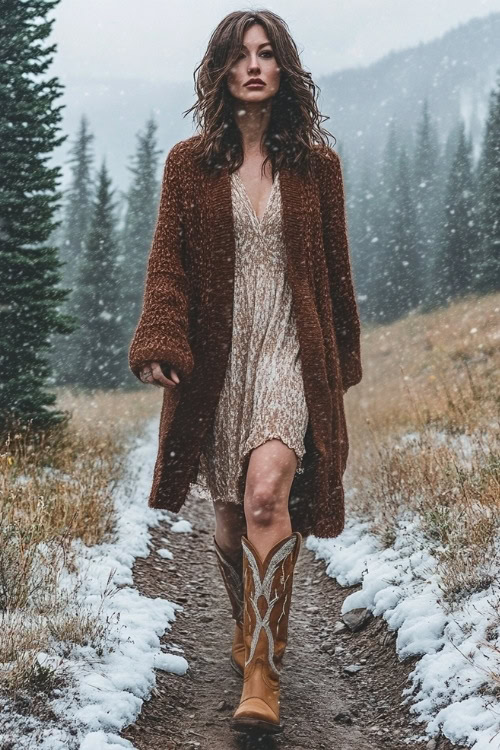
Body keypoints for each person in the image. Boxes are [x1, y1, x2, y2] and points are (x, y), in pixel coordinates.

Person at [129, 9, 362, 735]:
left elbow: (334, 272)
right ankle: (247, 628)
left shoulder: (315, 167)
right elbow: (169, 265)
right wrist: (161, 336)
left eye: (266, 54)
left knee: (268, 497)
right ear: (221, 71)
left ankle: (262, 671)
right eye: (240, 56)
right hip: (219, 360)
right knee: (231, 523)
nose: (253, 66)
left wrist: (339, 361)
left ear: (284, 69)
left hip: (290, 351)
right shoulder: (188, 164)